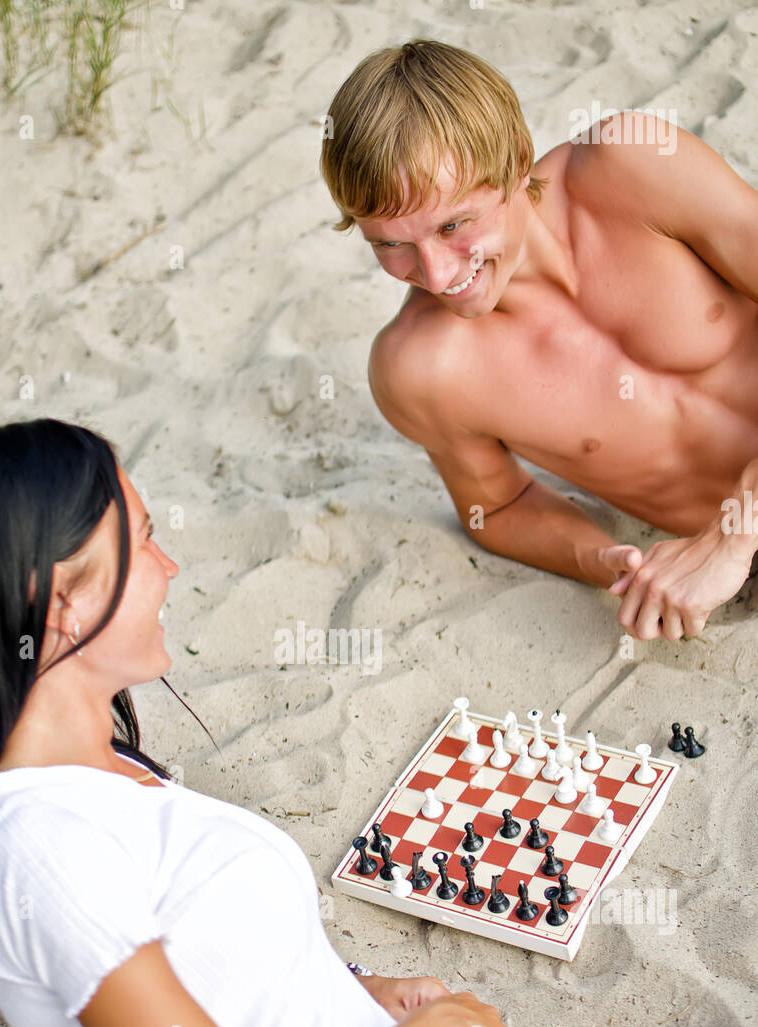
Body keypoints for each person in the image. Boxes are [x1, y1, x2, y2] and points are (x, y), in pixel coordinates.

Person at [0, 417, 757, 1027]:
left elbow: (217, 987)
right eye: (146, 540)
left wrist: (353, 995)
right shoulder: (32, 848)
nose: (170, 568)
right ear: (62, 601)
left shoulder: (92, 782)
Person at [319, 40, 758, 644]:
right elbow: (497, 508)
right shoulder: (419, 369)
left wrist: (734, 536)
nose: (440, 274)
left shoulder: (633, 168)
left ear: (518, 158)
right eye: (390, 245)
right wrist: (608, 562)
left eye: (454, 225)